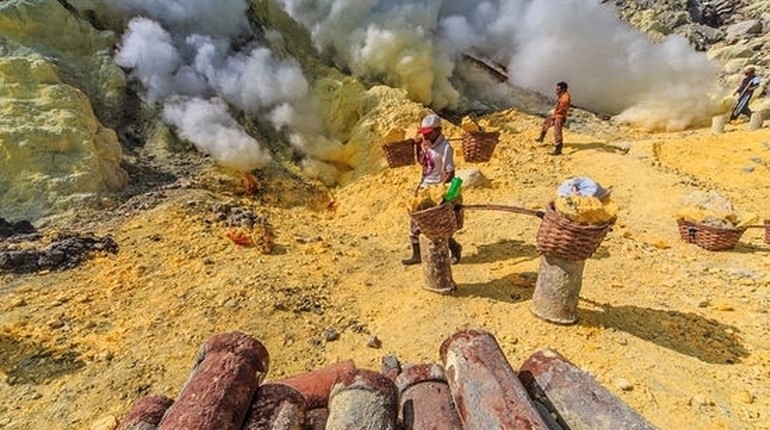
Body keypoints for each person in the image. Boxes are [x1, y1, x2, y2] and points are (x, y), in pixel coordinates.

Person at [401, 113, 462, 266]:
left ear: (438, 130)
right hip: (424, 187)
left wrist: (440, 192)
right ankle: (416, 255)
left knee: (436, 225)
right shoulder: (426, 143)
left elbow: (450, 172)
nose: (426, 136)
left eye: (428, 134)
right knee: (416, 220)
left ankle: (455, 248)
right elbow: (423, 163)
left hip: (436, 188)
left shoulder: (446, 148)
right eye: (424, 134)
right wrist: (417, 146)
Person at [535, 81, 571, 155]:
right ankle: (541, 138)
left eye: (558, 89)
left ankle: (558, 149)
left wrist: (556, 116)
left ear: (563, 89)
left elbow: (561, 110)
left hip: (559, 117)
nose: (556, 91)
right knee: (546, 123)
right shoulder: (562, 95)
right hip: (556, 115)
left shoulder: (565, 99)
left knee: (557, 132)